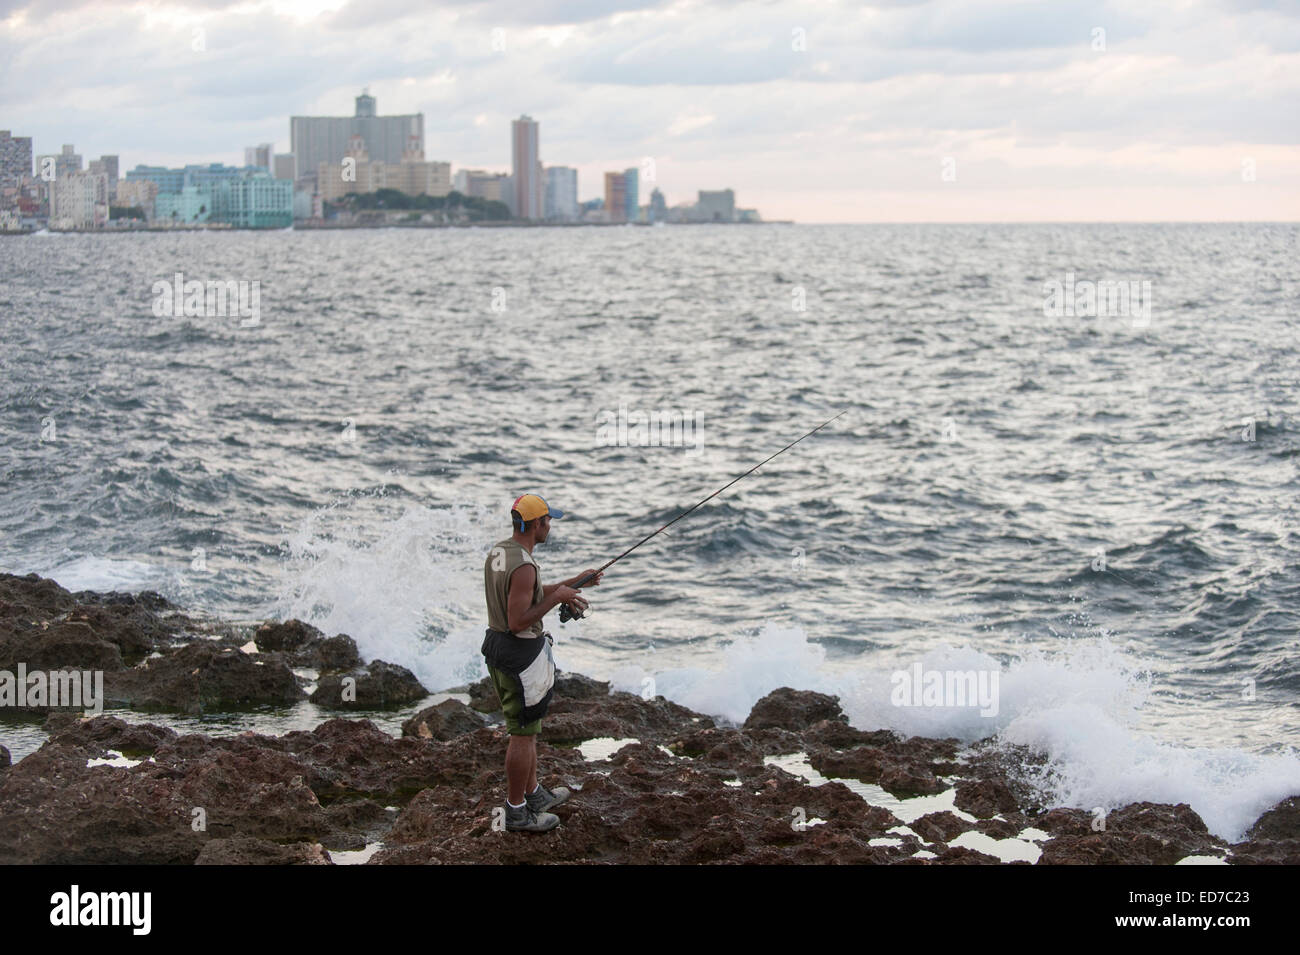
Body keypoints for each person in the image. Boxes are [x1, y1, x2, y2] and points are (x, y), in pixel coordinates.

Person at [482, 493, 601, 833]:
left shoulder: (502, 552)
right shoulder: (522, 565)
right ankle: (516, 811)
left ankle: (534, 794)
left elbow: (529, 591)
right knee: (521, 735)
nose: (550, 526)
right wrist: (557, 600)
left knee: (529, 731)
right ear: (536, 524)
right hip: (520, 654)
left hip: (498, 645)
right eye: (548, 521)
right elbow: (519, 619)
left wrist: (573, 583)